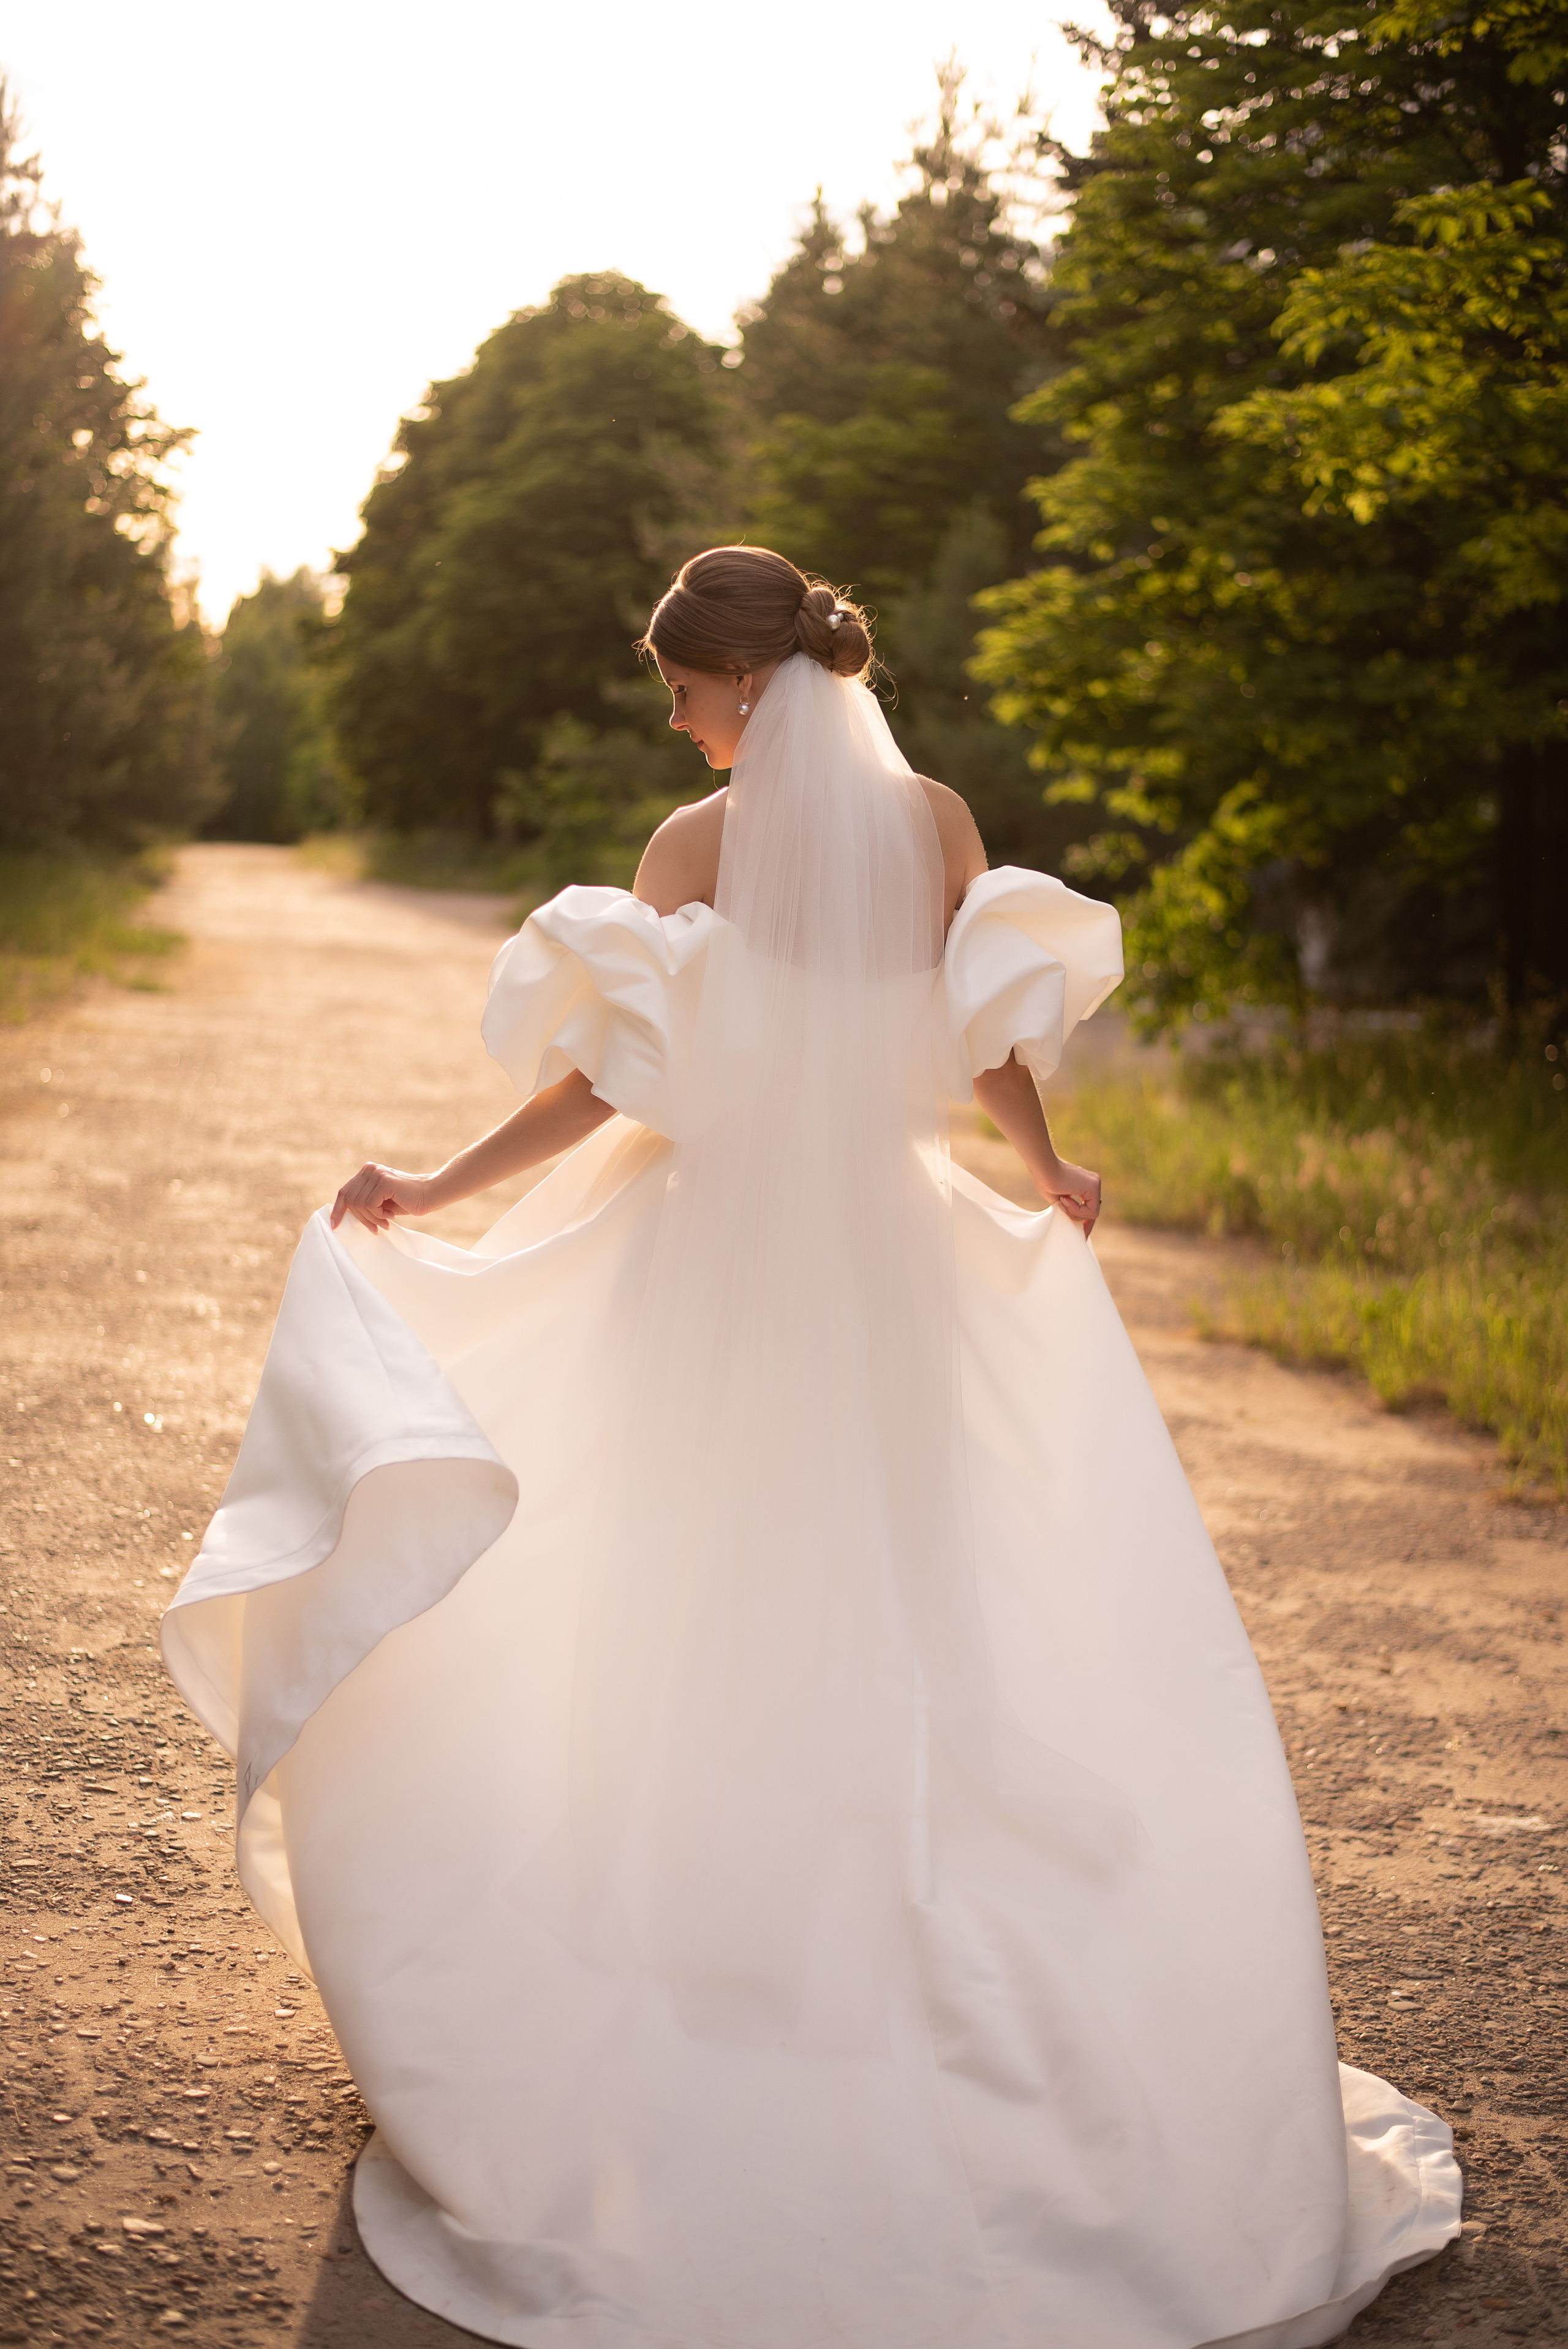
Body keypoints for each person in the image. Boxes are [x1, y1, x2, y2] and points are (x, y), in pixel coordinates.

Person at [163, 546, 1460, 2349]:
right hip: (892, 1269)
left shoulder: (692, 855)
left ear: (748, 684)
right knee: (905, 1594)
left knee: (681, 1592)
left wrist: (440, 1184)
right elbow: (974, 1026)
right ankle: (893, 1929)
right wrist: (1043, 1166)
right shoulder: (932, 815)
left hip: (708, 1265)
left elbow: (614, 1084)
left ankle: (702, 1965)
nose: (674, 718)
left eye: (682, 688)